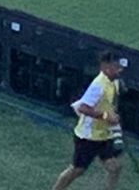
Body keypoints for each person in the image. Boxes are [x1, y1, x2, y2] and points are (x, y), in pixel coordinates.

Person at [52, 51, 124, 190]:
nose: (119, 70)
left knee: (115, 167)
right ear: (106, 67)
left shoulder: (114, 82)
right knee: (76, 170)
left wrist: (113, 116)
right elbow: (84, 108)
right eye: (116, 67)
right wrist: (105, 116)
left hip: (104, 135)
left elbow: (109, 104)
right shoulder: (98, 85)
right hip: (88, 137)